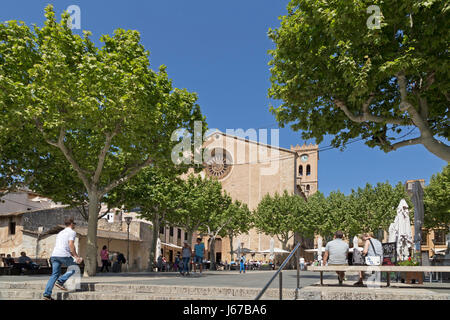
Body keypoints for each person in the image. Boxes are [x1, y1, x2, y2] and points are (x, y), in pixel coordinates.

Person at [43, 218, 83, 300]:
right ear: (71, 224)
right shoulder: (72, 232)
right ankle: (60, 281)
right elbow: (71, 245)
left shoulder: (60, 233)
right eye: (74, 223)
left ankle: (47, 294)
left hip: (54, 255)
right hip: (63, 255)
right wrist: (76, 256)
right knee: (75, 268)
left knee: (54, 275)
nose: (75, 225)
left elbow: (65, 246)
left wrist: (73, 255)